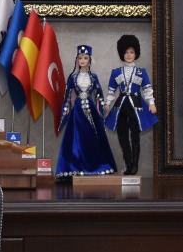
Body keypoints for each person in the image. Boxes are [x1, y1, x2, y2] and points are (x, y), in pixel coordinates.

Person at [55, 45, 118, 178]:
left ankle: (94, 165)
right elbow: (67, 97)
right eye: (80, 58)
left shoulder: (94, 77)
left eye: (85, 58)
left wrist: (101, 108)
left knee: (92, 137)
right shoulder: (72, 77)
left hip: (91, 110)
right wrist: (65, 112)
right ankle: (76, 166)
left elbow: (99, 93)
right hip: (77, 110)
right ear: (77, 60)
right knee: (77, 138)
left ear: (89, 60)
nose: (82, 60)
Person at [104, 34, 157, 176]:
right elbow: (111, 90)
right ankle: (127, 162)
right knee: (122, 135)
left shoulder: (141, 72)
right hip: (121, 105)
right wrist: (107, 103)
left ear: (136, 54)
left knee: (135, 136)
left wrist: (151, 103)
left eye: (131, 52)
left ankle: (135, 165)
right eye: (126, 52)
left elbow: (147, 89)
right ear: (122, 54)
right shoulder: (116, 72)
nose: (129, 55)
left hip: (136, 106)